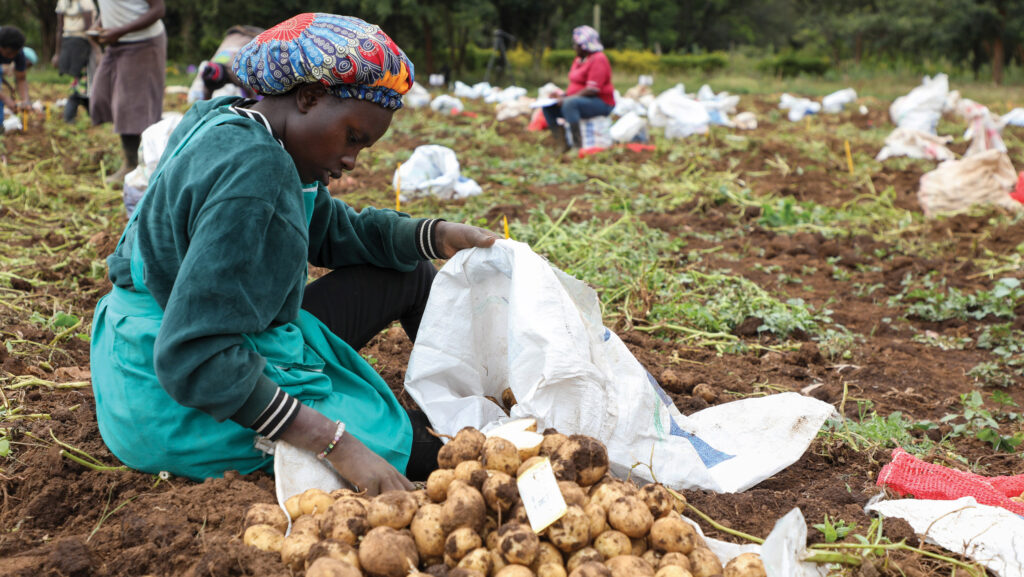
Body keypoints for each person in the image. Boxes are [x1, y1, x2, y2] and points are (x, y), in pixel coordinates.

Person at [89, 12, 499, 494]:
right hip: (175, 400)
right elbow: (192, 357)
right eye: (353, 138)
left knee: (406, 271)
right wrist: (336, 443)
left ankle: (481, 396)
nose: (351, 162)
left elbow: (327, 227)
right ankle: (435, 429)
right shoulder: (255, 173)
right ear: (308, 97)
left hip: (148, 354)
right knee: (426, 451)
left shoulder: (228, 122)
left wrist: (434, 234)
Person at [89, 0, 166, 184]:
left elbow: (158, 9)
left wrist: (120, 30)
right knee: (100, 96)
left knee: (131, 107)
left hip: (143, 43)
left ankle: (134, 165)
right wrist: (100, 24)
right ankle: (141, 156)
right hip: (115, 44)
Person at [542, 25, 615, 152]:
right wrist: (562, 95)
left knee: (570, 104)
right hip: (582, 100)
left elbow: (593, 90)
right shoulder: (579, 60)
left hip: (600, 102)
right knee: (548, 107)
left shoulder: (598, 59)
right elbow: (575, 86)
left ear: (584, 46)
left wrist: (567, 99)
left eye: (576, 44)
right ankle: (562, 144)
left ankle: (577, 145)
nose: (574, 47)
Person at [53, 0, 99, 122]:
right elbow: (89, 29)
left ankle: (94, 116)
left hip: (68, 44)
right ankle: (69, 117)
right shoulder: (86, 3)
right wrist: (97, 51)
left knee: (83, 82)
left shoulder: (62, 2)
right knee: (85, 81)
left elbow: (59, 29)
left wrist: (58, 53)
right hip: (82, 45)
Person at [0, 26, 30, 121]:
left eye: (15, 53)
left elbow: (21, 79)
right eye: (9, 53)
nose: (12, 56)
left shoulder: (19, 53)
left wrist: (25, 100)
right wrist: (6, 99)